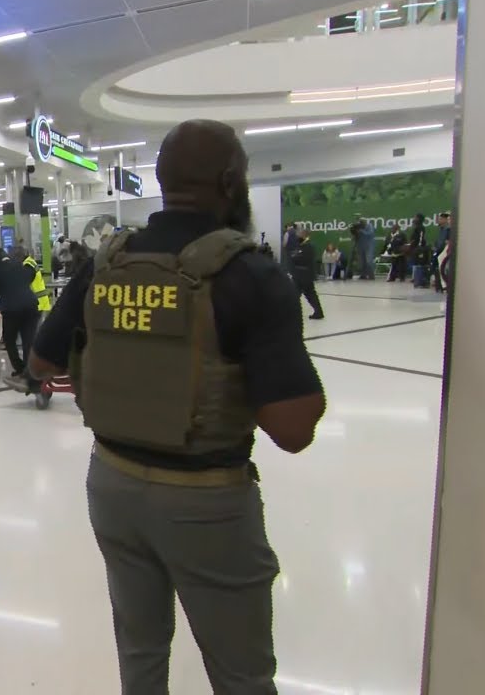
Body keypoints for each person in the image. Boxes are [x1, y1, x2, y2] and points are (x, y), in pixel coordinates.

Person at [29, 119, 325, 695]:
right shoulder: (251, 274)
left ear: (161, 180)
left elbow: (41, 364)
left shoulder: (107, 261)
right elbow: (291, 428)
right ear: (231, 182)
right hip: (205, 500)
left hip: (111, 485)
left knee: (140, 653)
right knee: (241, 674)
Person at [0, 246, 43, 390]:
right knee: (28, 341)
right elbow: (29, 277)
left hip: (12, 309)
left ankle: (20, 369)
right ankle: (29, 373)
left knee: (9, 340)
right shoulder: (21, 266)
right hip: (31, 306)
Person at [290, 229, 326, 320]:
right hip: (300, 275)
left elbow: (300, 258)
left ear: (304, 235)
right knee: (310, 295)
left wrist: (295, 256)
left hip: (304, 275)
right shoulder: (301, 246)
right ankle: (318, 312)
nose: (297, 236)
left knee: (296, 294)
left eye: (299, 235)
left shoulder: (308, 246)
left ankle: (293, 313)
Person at [433, 212, 452, 293]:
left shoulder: (448, 229)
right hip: (440, 250)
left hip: (446, 249)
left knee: (443, 264)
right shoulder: (442, 229)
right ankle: (441, 284)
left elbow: (446, 241)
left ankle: (445, 284)